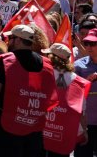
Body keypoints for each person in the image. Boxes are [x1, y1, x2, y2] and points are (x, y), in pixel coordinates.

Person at [0, 24, 58, 157]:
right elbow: (50, 97)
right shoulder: (47, 65)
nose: (8, 42)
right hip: (35, 128)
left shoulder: (5, 61)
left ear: (17, 40)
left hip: (8, 128)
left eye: (10, 38)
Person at [41, 43, 90, 157]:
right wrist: (85, 131)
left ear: (52, 57)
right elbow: (81, 112)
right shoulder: (79, 82)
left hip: (43, 130)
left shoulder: (43, 74)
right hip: (64, 134)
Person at [74, 27, 97, 157]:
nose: (89, 47)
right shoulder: (78, 65)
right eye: (86, 43)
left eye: (93, 43)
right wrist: (84, 82)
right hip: (84, 123)